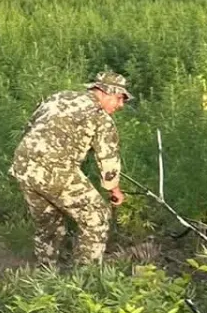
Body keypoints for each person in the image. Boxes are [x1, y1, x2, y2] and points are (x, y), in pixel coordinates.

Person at [8, 71, 131, 267]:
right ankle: (84, 279)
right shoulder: (100, 117)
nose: (120, 105)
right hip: (55, 170)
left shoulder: (59, 97)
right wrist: (114, 190)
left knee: (49, 224)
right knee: (97, 216)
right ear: (106, 92)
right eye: (119, 98)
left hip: (24, 164)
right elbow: (108, 161)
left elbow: (31, 126)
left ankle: (45, 273)